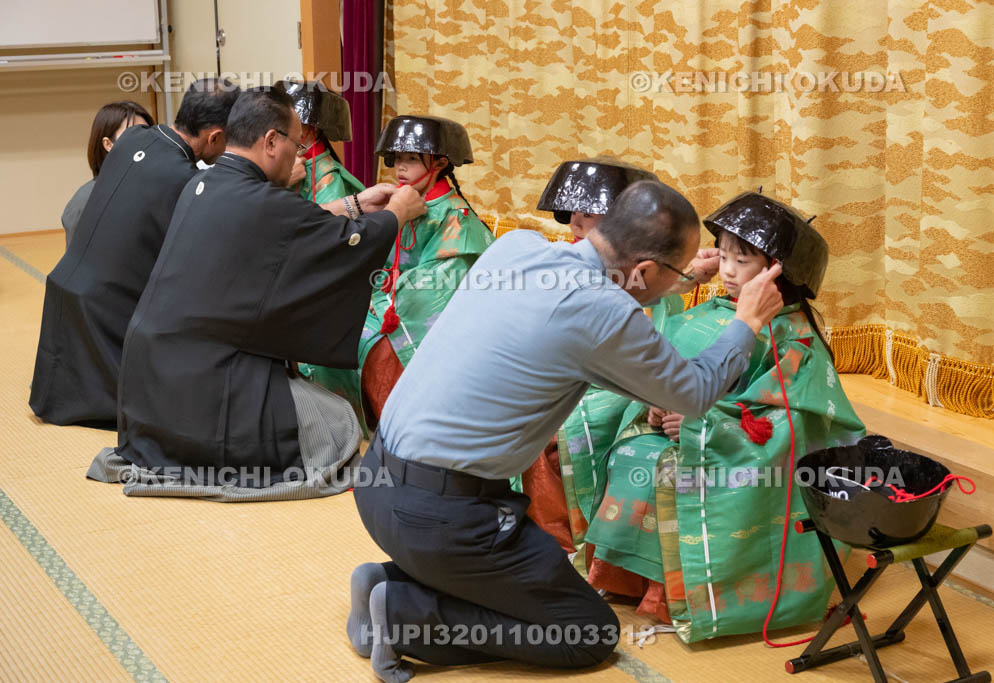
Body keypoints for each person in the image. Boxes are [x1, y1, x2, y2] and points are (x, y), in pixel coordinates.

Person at [348, 180, 785, 681]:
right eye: (678, 271)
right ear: (643, 270)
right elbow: (691, 393)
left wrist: (680, 281)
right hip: (444, 519)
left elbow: (603, 301)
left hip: (379, 484)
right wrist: (746, 322)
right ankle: (402, 617)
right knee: (585, 633)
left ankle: (387, 581)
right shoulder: (604, 312)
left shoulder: (517, 247)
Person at [86, 85, 425, 502]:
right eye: (296, 145)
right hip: (203, 386)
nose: (299, 156)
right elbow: (336, 241)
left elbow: (294, 228)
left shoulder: (205, 183)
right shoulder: (262, 200)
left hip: (147, 384)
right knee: (338, 425)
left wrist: (354, 204)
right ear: (270, 141)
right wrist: (397, 213)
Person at [578, 192, 866, 642]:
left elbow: (788, 420)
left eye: (742, 260)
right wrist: (655, 401)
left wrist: (698, 425)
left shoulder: (794, 335)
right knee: (632, 450)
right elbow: (663, 364)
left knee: (668, 471)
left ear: (778, 271)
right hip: (683, 433)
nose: (727, 271)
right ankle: (632, 583)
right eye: (724, 256)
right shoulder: (710, 310)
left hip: (724, 450)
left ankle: (679, 595)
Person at [520, 157, 715, 553]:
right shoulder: (564, 255)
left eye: (592, 211)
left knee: (568, 426)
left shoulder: (635, 274)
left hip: (613, 377)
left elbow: (637, 299)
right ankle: (539, 529)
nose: (578, 218)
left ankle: (570, 536)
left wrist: (688, 274)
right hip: (573, 365)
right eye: (576, 208)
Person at [30, 78, 239, 429]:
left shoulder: (135, 139)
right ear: (216, 136)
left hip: (64, 285)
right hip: (106, 307)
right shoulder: (184, 179)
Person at [300, 115, 494, 436]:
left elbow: (438, 286)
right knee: (325, 325)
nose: (400, 168)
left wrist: (377, 301)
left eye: (412, 159)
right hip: (384, 299)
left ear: (441, 163)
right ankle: (334, 433)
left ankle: (399, 440)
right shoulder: (395, 204)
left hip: (420, 314)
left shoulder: (456, 217)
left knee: (371, 343)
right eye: (397, 159)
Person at [62, 101, 155, 247]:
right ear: (108, 144)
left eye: (148, 134)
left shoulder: (151, 189)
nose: (145, 142)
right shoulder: (87, 199)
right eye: (134, 134)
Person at [278, 79, 366, 203]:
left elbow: (322, 221)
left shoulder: (328, 178)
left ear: (315, 128)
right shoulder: (276, 158)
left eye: (293, 122)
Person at [535, 157, 656, 243]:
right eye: (573, 213)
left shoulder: (629, 265)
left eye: (587, 215)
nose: (575, 225)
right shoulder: (565, 253)